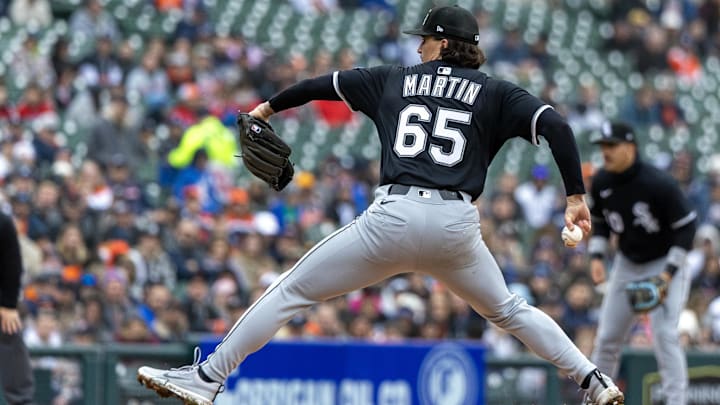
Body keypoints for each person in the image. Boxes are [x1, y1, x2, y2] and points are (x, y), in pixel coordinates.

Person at [137, 6, 625, 405]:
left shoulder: (394, 78)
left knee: (290, 290)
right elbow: (557, 126)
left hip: (394, 217)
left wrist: (268, 107)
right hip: (456, 226)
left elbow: (318, 86)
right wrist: (575, 196)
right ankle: (592, 379)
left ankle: (208, 378)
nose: (418, 46)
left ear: (443, 43)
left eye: (425, 39)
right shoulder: (497, 92)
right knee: (510, 310)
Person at [587, 122, 697, 405]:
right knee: (607, 338)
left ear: (630, 147)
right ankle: (594, 399)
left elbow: (686, 229)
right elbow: (599, 222)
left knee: (665, 336)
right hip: (626, 263)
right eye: (603, 146)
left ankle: (676, 401)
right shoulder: (601, 182)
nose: (605, 152)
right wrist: (597, 257)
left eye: (611, 146)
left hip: (664, 262)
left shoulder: (658, 183)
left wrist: (668, 274)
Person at [0, 211, 35, 405]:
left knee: (9, 330)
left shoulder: (2, 221)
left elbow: (12, 263)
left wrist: (8, 305)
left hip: (1, 308)